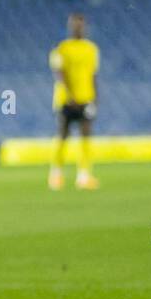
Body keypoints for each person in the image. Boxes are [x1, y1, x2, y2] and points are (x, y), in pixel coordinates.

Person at [48, 13, 99, 190]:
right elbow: (59, 73)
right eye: (75, 25)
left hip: (85, 98)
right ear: (70, 27)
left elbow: (93, 75)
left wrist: (95, 98)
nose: (78, 28)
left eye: (81, 25)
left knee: (86, 135)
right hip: (66, 100)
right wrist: (70, 95)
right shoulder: (61, 48)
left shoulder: (91, 49)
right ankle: (56, 174)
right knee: (63, 135)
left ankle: (84, 176)